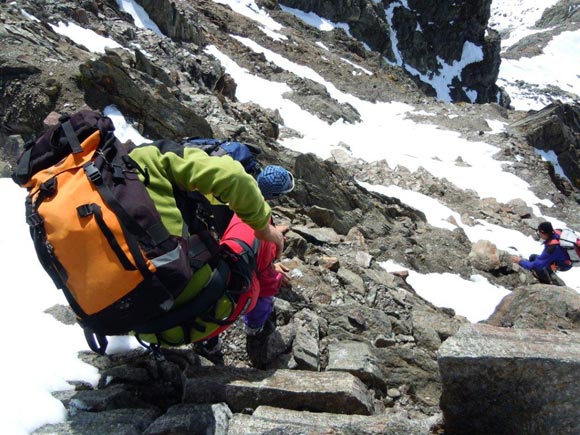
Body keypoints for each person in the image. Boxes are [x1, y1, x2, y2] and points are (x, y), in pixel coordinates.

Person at [127, 139, 287, 347]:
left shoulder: (82, 197)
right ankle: (252, 329)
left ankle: (210, 346)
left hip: (133, 324)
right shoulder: (143, 158)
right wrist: (267, 231)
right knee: (252, 271)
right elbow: (234, 178)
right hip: (194, 313)